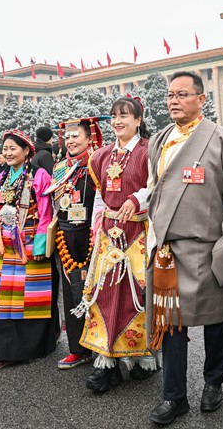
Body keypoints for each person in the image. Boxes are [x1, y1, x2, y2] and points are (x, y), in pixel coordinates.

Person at [145, 71, 223, 425]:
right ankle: (174, 395)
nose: (174, 101)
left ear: (201, 99)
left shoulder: (220, 139)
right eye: (170, 95)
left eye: (182, 94)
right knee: (171, 325)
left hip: (208, 247)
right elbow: (153, 190)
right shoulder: (160, 140)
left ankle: (214, 383)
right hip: (167, 250)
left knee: (214, 321)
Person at [76, 96, 157, 392]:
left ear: (138, 120)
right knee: (105, 295)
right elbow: (98, 197)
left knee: (137, 294)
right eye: (114, 116)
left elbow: (159, 185)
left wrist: (137, 199)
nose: (118, 121)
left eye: (125, 115)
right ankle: (106, 361)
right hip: (109, 234)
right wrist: (99, 227)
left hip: (139, 231)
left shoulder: (151, 152)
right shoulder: (100, 156)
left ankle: (142, 357)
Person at [0, 129, 56, 371]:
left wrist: (41, 243)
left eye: (13, 148)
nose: (8, 153)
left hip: (29, 241)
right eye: (5, 149)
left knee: (32, 295)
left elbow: (46, 211)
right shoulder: (0, 178)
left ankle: (32, 348)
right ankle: (4, 349)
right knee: (3, 297)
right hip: (5, 245)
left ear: (26, 151)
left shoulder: (40, 175)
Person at [45, 116, 103, 370]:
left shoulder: (98, 162)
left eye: (76, 136)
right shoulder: (59, 168)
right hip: (65, 235)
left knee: (98, 291)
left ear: (89, 138)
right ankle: (78, 348)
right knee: (70, 293)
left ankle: (103, 344)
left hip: (93, 232)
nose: (70, 141)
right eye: (67, 137)